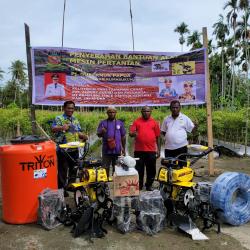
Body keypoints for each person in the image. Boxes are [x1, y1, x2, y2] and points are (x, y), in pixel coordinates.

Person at [52, 100, 88, 196]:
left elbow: (78, 131)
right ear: (64, 108)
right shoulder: (59, 118)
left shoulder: (75, 119)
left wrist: (83, 136)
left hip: (74, 149)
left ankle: (70, 186)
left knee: (74, 169)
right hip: (63, 149)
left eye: (72, 108)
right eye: (68, 108)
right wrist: (62, 128)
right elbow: (53, 129)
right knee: (62, 170)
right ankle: (61, 190)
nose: (70, 110)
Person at [129, 106, 161, 191]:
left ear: (151, 112)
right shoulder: (136, 122)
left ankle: (149, 185)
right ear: (141, 112)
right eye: (144, 111)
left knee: (151, 169)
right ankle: (139, 185)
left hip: (151, 151)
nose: (146, 113)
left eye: (148, 111)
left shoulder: (154, 122)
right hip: (139, 150)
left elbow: (158, 137)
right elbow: (131, 133)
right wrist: (133, 134)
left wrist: (159, 149)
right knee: (139, 169)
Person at [161, 100, 196, 164]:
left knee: (181, 166)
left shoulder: (185, 118)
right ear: (170, 108)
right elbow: (163, 131)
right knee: (169, 166)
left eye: (176, 107)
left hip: (181, 147)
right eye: (173, 107)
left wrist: (196, 126)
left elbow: (192, 129)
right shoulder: (166, 119)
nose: (175, 109)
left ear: (180, 108)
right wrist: (170, 138)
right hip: (168, 148)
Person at [97, 106, 126, 177]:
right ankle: (105, 183)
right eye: (110, 112)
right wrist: (102, 132)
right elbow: (98, 135)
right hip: (106, 149)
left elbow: (123, 136)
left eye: (113, 112)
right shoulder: (103, 123)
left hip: (117, 149)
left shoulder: (120, 123)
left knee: (116, 167)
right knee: (105, 167)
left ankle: (114, 182)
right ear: (107, 113)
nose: (111, 114)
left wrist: (123, 148)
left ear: (116, 113)